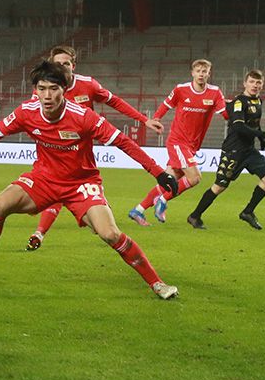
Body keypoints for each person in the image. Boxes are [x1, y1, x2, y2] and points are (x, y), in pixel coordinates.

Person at [0, 60, 180, 300]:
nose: (47, 95)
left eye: (53, 89)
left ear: (64, 90)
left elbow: (124, 142)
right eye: (41, 89)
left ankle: (157, 283)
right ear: (35, 90)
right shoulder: (26, 112)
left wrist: (158, 171)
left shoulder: (84, 117)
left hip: (81, 183)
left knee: (110, 234)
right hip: (43, 179)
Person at [25, 45, 164, 251]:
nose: (61, 67)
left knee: (68, 192)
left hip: (81, 150)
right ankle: (40, 233)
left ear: (73, 65)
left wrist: (143, 120)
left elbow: (114, 101)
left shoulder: (88, 85)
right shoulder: (44, 90)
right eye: (57, 64)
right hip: (53, 149)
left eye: (66, 63)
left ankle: (95, 209)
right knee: (57, 190)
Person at [129, 59, 227, 226]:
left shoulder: (215, 92)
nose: (201, 74)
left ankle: (138, 210)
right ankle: (163, 200)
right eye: (198, 71)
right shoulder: (181, 90)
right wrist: (156, 119)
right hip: (177, 141)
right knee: (195, 178)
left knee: (169, 180)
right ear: (192, 73)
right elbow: (166, 105)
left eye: (205, 71)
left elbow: (226, 114)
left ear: (209, 74)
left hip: (192, 145)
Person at [188, 70, 265, 230]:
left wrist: (261, 139)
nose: (255, 85)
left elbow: (254, 123)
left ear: (262, 85)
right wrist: (262, 134)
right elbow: (239, 126)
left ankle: (248, 212)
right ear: (245, 83)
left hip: (249, 151)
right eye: (252, 82)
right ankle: (194, 216)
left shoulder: (258, 101)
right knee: (220, 186)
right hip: (233, 151)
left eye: (258, 83)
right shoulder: (239, 102)